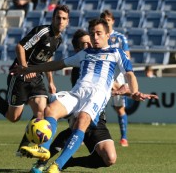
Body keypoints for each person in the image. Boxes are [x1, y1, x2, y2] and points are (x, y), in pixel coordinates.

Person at [12, 18, 158, 172]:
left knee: (82, 120)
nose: (95, 37)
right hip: (77, 93)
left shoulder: (116, 53)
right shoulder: (84, 53)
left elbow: (130, 75)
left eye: (99, 33)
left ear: (108, 35)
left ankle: (57, 165)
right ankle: (44, 150)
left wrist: (134, 91)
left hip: (96, 96)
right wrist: (29, 69)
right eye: (92, 34)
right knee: (51, 109)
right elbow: (58, 64)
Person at [0, 5, 70, 155]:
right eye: (58, 17)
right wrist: (24, 67)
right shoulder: (43, 32)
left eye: (64, 19)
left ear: (67, 21)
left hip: (37, 77)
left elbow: (48, 60)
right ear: (53, 18)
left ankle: (24, 148)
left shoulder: (59, 40)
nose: (60, 21)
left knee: (41, 113)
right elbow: (20, 47)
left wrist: (51, 82)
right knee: (13, 117)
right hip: (20, 76)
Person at [100, 9, 131, 147]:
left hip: (117, 77)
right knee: (96, 106)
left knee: (119, 108)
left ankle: (123, 137)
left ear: (112, 21)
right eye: (104, 20)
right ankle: (88, 134)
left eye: (108, 20)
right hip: (101, 76)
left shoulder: (120, 38)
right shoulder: (99, 36)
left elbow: (127, 57)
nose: (106, 22)